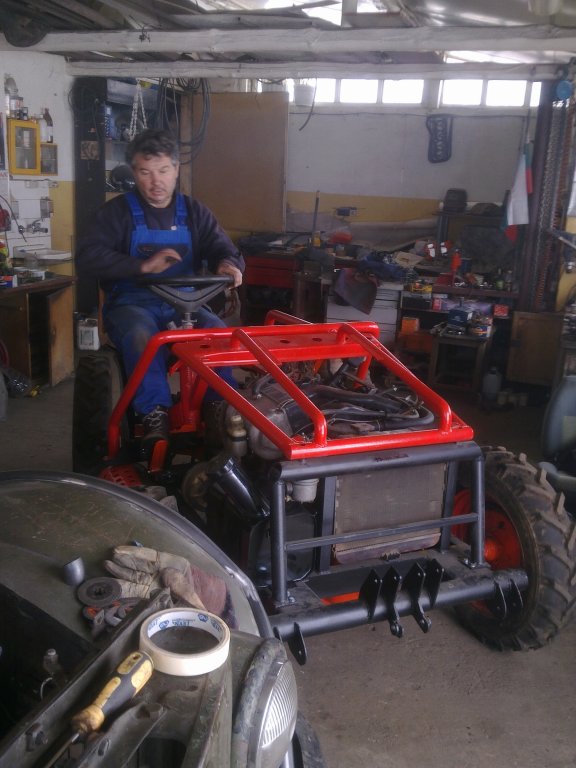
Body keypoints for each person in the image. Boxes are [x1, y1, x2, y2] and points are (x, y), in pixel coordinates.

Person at [76, 128, 244, 447]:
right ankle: (154, 413)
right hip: (132, 304)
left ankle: (217, 406)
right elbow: (87, 256)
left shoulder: (194, 212)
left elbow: (223, 248)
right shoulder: (116, 213)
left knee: (220, 334)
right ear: (134, 172)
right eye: (145, 172)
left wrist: (228, 265)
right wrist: (140, 266)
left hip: (187, 304)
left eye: (163, 170)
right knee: (143, 337)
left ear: (176, 169)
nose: (156, 182)